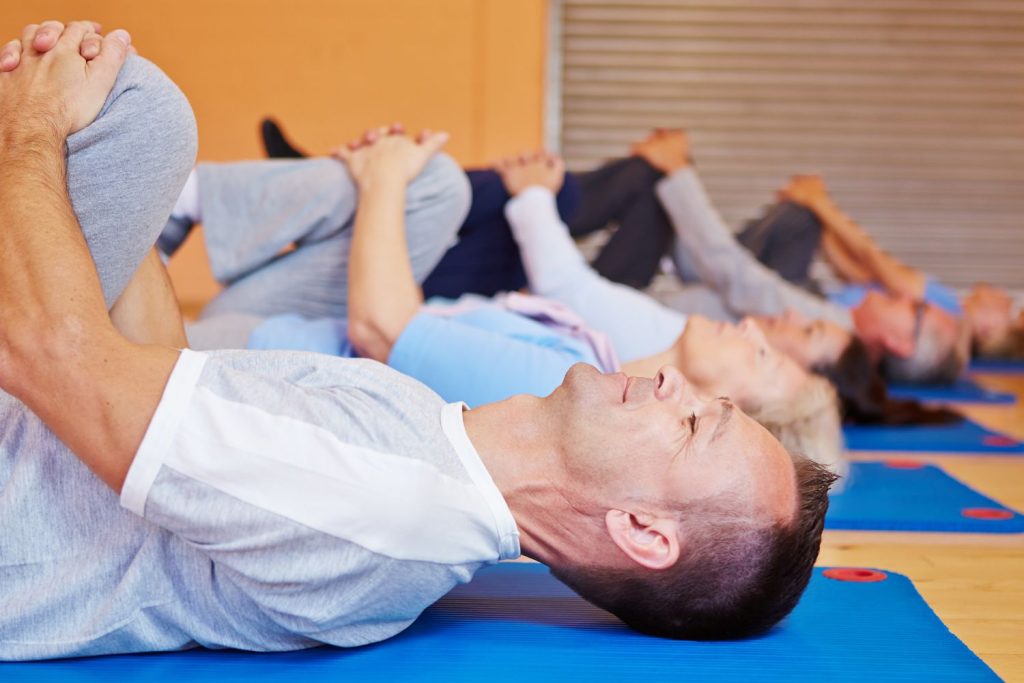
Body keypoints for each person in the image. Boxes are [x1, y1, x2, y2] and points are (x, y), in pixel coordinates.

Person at [0, 21, 836, 660]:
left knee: (139, 120)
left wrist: (31, 131)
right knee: (132, 128)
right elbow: (165, 374)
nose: (669, 386)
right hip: (49, 404)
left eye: (693, 424)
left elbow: (52, 357)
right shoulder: (430, 440)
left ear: (643, 531)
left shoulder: (391, 499)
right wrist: (102, 191)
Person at [170, 150, 843, 473]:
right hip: (302, 322)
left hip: (266, 342)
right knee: (433, 184)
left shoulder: (568, 379)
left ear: (719, 409)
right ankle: (185, 206)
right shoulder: (600, 359)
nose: (754, 329)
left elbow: (378, 327)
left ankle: (173, 210)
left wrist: (383, 180)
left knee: (415, 179)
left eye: (762, 358)